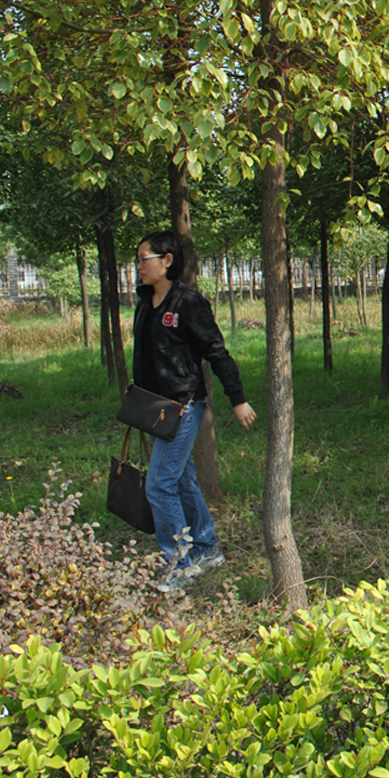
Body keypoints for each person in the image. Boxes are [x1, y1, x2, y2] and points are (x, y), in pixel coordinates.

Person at [132, 230, 256, 592]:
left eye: (144, 258)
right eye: (137, 260)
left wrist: (238, 398)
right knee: (181, 479)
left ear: (167, 260)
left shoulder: (188, 302)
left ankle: (179, 565)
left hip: (184, 406)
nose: (139, 266)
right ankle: (205, 546)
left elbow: (216, 352)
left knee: (159, 484)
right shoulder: (145, 302)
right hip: (155, 408)